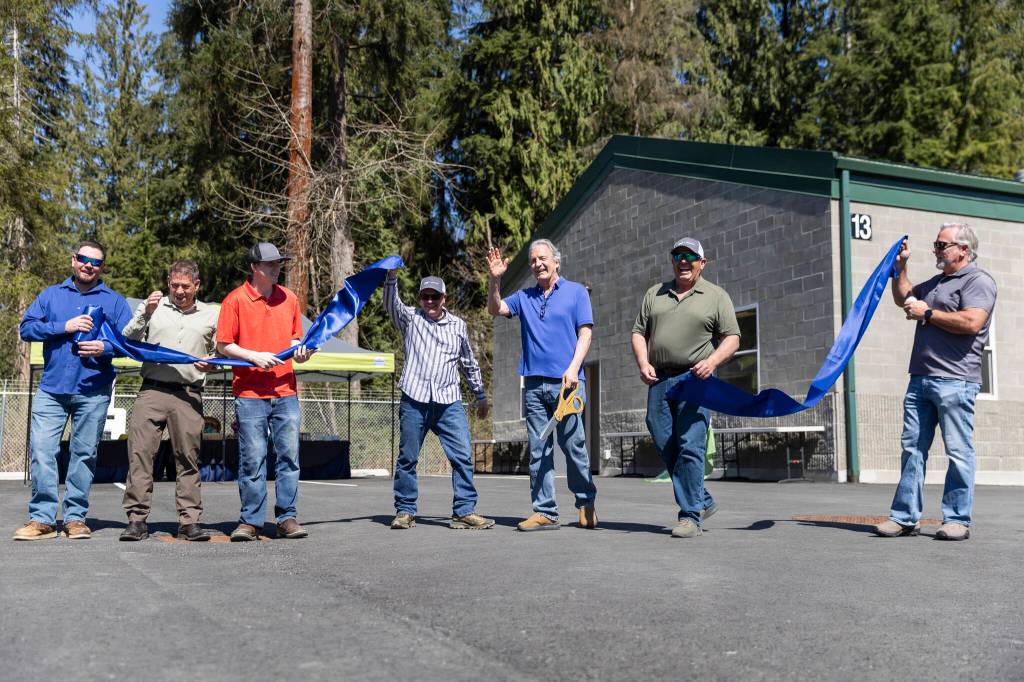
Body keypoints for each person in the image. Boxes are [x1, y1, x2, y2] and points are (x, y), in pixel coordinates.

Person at [874, 223, 996, 541]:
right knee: (912, 449)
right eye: (936, 244)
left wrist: (928, 313)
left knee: (958, 451)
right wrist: (900, 269)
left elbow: (972, 322)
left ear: (963, 249)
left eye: (942, 245)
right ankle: (904, 518)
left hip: (956, 381)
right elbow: (905, 299)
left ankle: (957, 519)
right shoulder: (937, 283)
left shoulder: (978, 281)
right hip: (921, 380)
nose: (936, 250)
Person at [14, 241, 132, 540]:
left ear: (102, 267)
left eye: (96, 262)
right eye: (83, 259)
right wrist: (62, 326)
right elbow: (26, 328)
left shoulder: (114, 301)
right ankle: (41, 518)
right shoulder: (51, 295)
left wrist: (105, 347)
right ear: (73, 260)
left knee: (83, 455)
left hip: (93, 390)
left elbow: (128, 342)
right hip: (52, 389)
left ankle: (75, 518)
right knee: (42, 450)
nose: (88, 265)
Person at [630, 237, 740, 539]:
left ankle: (690, 516)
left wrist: (713, 361)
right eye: (677, 255)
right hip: (659, 379)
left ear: (702, 263)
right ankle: (701, 498)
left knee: (690, 445)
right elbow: (639, 332)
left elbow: (732, 337)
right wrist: (642, 362)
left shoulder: (715, 296)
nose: (683, 261)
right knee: (665, 439)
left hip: (696, 379)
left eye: (690, 256)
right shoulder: (656, 293)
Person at [487, 239, 597, 531]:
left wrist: (573, 369)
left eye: (542, 258)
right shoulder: (524, 297)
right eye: (533, 260)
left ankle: (586, 503)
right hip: (534, 386)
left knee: (574, 447)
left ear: (556, 261)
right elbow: (495, 309)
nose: (537, 264)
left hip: (568, 384)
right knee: (539, 449)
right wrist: (495, 280)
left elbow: (585, 334)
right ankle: (545, 512)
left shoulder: (576, 293)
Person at [216, 242, 315, 541]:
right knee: (253, 458)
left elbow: (298, 342)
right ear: (254, 268)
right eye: (270, 264)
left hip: (285, 391)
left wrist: (303, 353)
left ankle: (287, 518)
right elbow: (223, 344)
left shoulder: (290, 299)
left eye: (278, 263)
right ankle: (250, 521)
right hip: (249, 393)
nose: (276, 268)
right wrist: (253, 355)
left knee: (289, 457)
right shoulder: (234, 300)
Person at [384, 271, 494, 530]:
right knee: (407, 458)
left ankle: (464, 510)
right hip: (414, 398)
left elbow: (468, 362)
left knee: (463, 456)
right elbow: (391, 304)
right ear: (420, 298)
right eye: (425, 296)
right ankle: (405, 510)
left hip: (448, 402)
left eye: (435, 296)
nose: (430, 301)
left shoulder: (458, 326)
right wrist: (391, 278)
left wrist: (480, 395)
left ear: (444, 298)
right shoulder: (410, 318)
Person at [119, 259, 219, 542]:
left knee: (187, 459)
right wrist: (145, 314)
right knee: (140, 455)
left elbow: (220, 353)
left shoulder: (211, 315)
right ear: (168, 283)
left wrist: (214, 364)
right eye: (174, 285)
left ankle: (189, 522)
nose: (179, 291)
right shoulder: (153, 306)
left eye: (185, 286)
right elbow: (127, 340)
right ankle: (137, 520)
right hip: (152, 390)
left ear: (197, 286)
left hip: (188, 394)